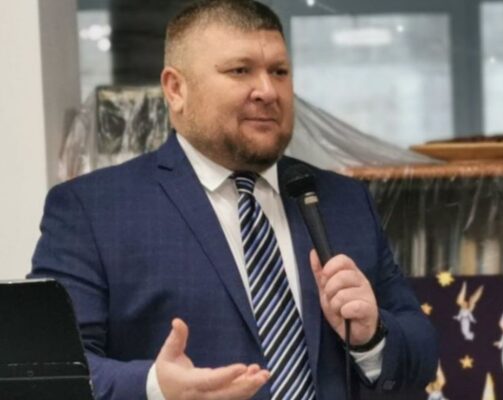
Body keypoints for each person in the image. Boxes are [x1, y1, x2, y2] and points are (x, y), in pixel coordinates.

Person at [29, 0, 437, 399]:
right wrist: (156, 387)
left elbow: (422, 354)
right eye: (240, 70)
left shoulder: (341, 200)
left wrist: (371, 337)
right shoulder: (94, 209)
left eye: (279, 72)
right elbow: (48, 371)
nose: (268, 91)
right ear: (176, 89)